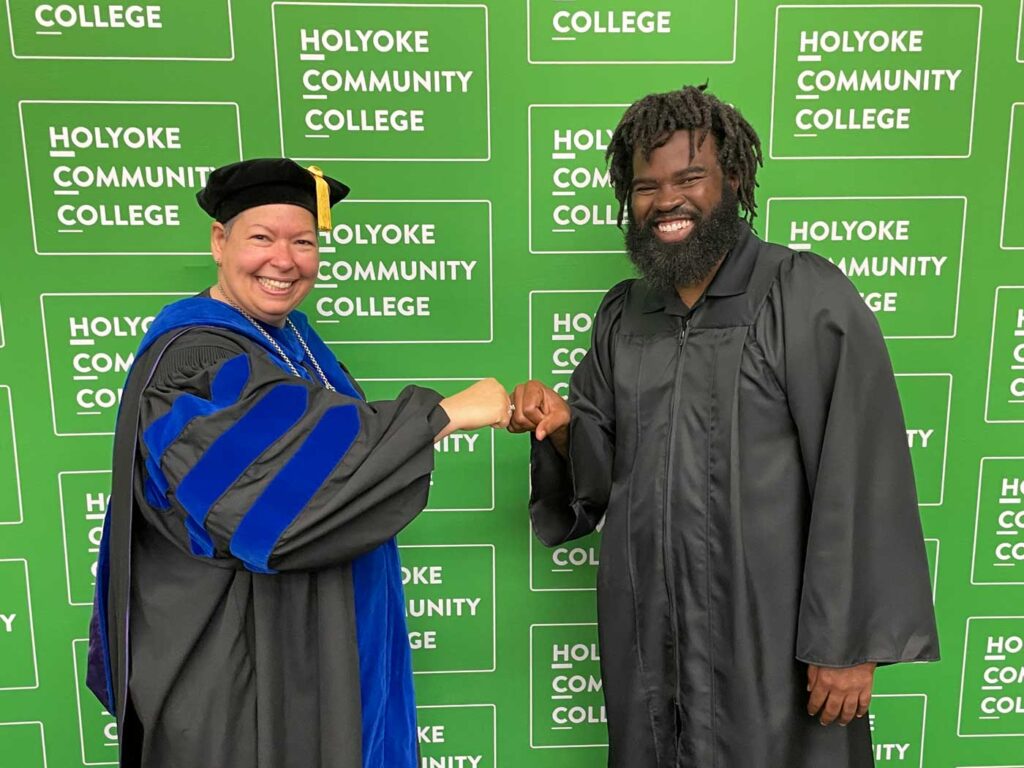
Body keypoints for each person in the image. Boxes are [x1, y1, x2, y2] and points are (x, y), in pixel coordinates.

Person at [509, 85, 939, 767]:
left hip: (769, 644)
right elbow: (606, 474)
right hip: (655, 640)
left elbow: (860, 473)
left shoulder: (803, 296)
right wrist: (563, 427)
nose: (666, 201)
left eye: (689, 178)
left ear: (732, 178)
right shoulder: (626, 316)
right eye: (646, 187)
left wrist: (848, 645)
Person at [86, 158, 511, 768]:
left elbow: (329, 450)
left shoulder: (293, 339)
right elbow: (276, 491)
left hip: (309, 648)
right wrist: (442, 414)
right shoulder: (193, 359)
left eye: (303, 241)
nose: (284, 261)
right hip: (238, 668)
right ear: (218, 241)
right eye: (261, 237)